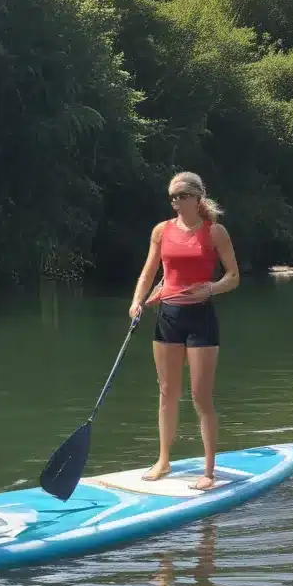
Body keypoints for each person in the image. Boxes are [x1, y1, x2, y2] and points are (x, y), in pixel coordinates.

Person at [128, 171, 240, 490]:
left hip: (201, 316)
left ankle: (209, 471)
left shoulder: (215, 232)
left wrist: (212, 288)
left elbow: (233, 276)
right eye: (172, 197)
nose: (175, 201)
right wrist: (137, 303)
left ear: (196, 198)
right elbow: (149, 272)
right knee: (166, 393)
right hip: (169, 315)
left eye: (181, 196)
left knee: (201, 397)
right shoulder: (161, 231)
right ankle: (163, 460)